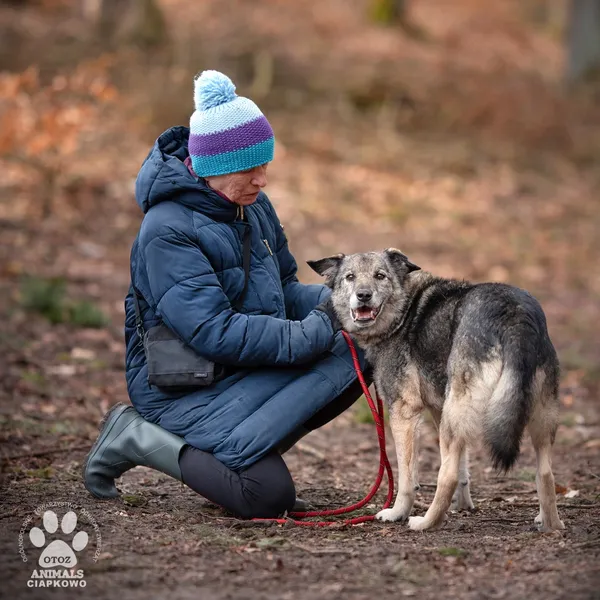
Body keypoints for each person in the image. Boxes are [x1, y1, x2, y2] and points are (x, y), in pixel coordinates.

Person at [83, 70, 369, 519]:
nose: (263, 180)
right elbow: (211, 330)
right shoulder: (166, 230)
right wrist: (312, 332)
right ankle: (135, 436)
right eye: (250, 169)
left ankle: (239, 451)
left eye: (265, 165)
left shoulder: (251, 206)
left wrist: (343, 303)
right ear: (212, 167)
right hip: (185, 385)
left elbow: (286, 288)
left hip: (241, 368)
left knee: (362, 350)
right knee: (266, 496)